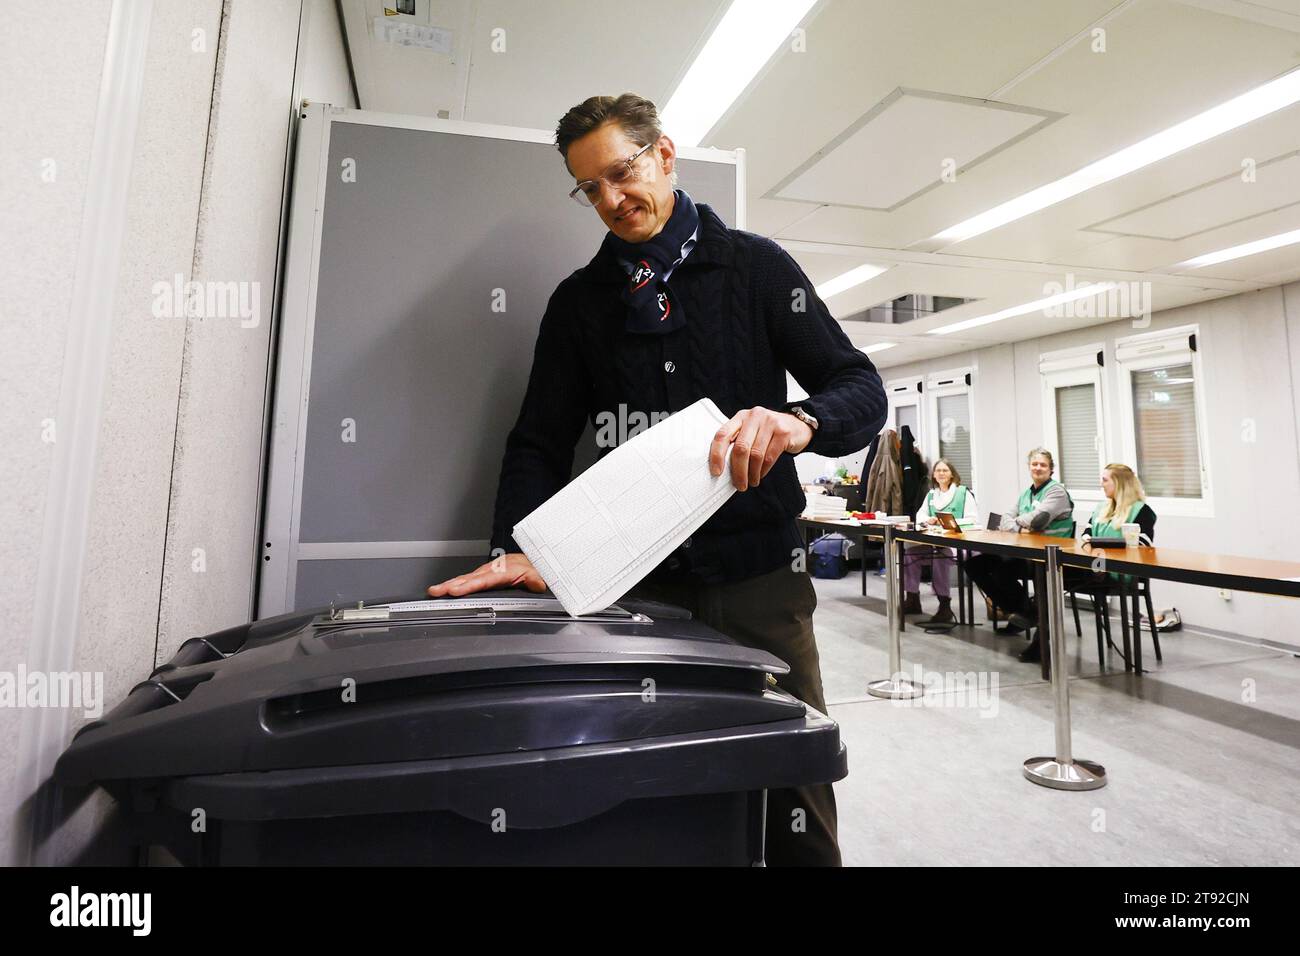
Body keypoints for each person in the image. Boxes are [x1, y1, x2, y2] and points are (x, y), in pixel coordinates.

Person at [426, 93, 887, 866]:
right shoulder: (578, 306)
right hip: (637, 593)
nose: (610, 200)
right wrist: (521, 547)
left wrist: (799, 421)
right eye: (589, 189)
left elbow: (860, 386)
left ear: (665, 155)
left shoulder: (757, 268)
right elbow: (538, 442)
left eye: (621, 172)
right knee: (657, 792)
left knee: (793, 788)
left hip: (762, 586)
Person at [966, 447, 1075, 662]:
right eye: (1034, 464)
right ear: (1029, 467)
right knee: (976, 565)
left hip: (1051, 558)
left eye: (1043, 464)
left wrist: (1020, 523)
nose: (1038, 468)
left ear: (1051, 469)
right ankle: (1021, 611)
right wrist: (1021, 527)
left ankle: (1038, 637)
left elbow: (1038, 520)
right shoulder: (1027, 493)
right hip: (1026, 553)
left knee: (1002, 568)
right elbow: (1005, 519)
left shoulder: (1056, 492)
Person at [902, 458, 978, 625]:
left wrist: (949, 523)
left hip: (960, 545)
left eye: (945, 470)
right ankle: (912, 598)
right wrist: (928, 520)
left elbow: (973, 520)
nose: (941, 473)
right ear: (934, 475)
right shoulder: (931, 495)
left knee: (941, 556)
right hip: (936, 543)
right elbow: (920, 516)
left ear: (952, 474)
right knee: (910, 555)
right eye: (938, 471)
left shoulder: (963, 493)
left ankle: (945, 605)